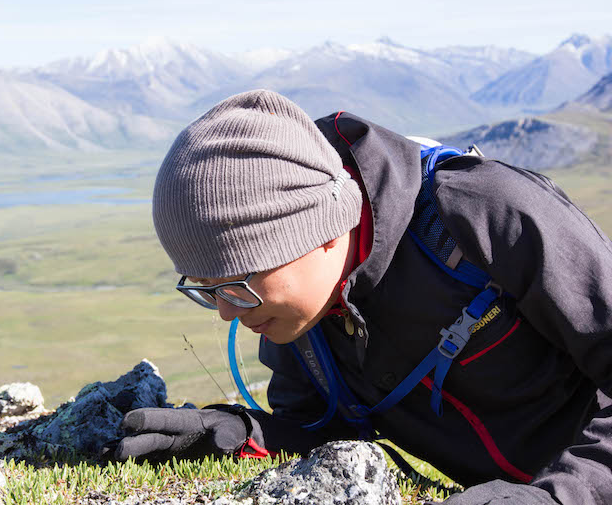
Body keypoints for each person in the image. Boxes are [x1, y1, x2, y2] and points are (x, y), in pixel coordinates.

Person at [109, 90, 612, 504]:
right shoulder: (297, 323)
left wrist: (555, 497)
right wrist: (242, 434)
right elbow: (327, 439)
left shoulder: (484, 216)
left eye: (238, 280)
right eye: (205, 289)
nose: (225, 312)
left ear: (322, 230)